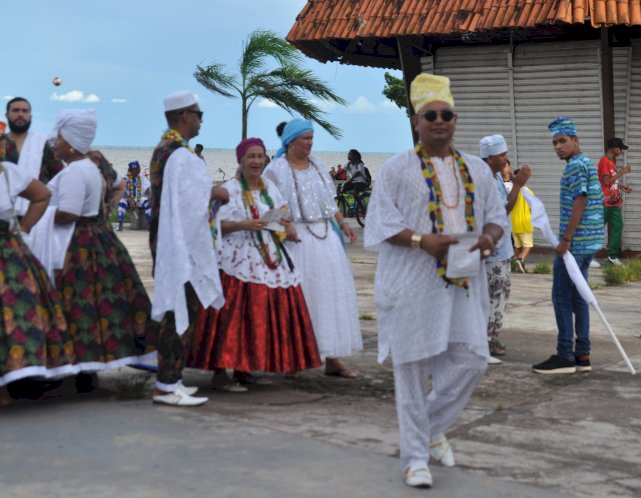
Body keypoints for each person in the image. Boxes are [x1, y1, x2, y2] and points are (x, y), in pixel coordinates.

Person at [365, 74, 503, 489]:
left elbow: (497, 217)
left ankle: (427, 431)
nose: (438, 121)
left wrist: (488, 239)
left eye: (446, 115)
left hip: (463, 282)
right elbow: (380, 224)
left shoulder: (477, 169)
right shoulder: (395, 169)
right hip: (410, 282)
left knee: (472, 360)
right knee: (411, 369)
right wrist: (420, 240)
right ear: (416, 121)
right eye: (430, 116)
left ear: (455, 120)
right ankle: (414, 459)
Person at [188, 138, 321, 388]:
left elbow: (281, 211)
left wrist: (288, 225)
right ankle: (219, 371)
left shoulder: (269, 187)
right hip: (236, 260)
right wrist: (243, 224)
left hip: (268, 255)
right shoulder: (230, 189)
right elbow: (214, 226)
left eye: (260, 156)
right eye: (251, 156)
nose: (256, 161)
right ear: (240, 160)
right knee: (232, 317)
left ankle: (245, 368)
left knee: (260, 315)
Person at [44, 109, 158, 393]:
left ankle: (78, 371)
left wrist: (33, 213)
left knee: (77, 306)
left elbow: (69, 213)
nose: (55, 144)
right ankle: (88, 372)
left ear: (70, 142)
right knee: (97, 308)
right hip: (99, 240)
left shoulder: (73, 172)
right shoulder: (90, 168)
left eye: (59, 138)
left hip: (77, 245)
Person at [265, 119, 362, 378]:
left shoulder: (318, 165)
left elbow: (329, 202)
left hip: (325, 238)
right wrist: (282, 230)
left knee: (330, 297)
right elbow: (266, 205)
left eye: (311, 138)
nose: (309, 143)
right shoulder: (276, 169)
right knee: (302, 299)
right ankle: (294, 358)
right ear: (290, 141)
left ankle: (332, 358)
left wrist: (343, 224)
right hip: (295, 241)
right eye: (305, 138)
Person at [148, 91, 228, 406]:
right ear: (185, 116)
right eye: (199, 113)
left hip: (166, 238)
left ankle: (172, 380)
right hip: (179, 243)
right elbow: (190, 204)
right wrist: (216, 193)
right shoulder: (179, 155)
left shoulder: (165, 149)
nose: (201, 119)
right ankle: (166, 385)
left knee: (176, 306)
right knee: (178, 309)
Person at [0, 161, 76, 405]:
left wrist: (23, 228)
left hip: (7, 256)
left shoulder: (7, 171)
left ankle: (7, 388)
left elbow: (42, 195)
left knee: (12, 318)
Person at [533, 117, 604, 375]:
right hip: (589, 243)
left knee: (561, 297)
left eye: (562, 141)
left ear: (576, 141)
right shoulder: (586, 163)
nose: (558, 147)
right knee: (579, 298)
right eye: (554, 143)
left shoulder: (575, 166)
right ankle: (582, 355)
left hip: (576, 244)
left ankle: (565, 355)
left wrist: (565, 240)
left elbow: (580, 201)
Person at [479, 134, 531, 364]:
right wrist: (519, 184)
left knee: (499, 295)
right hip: (492, 250)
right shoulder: (486, 181)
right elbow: (503, 211)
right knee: (494, 295)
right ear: (490, 158)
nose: (505, 158)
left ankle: (491, 336)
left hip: (500, 248)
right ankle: (485, 339)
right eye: (502, 154)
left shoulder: (496, 178)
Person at [0, 97, 64, 216]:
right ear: (7, 115)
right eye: (15, 110)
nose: (20, 114)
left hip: (37, 215)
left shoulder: (43, 144)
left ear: (30, 116)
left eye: (25, 111)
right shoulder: (1, 143)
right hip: (3, 216)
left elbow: (59, 177)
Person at [597, 138, 632, 266]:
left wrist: (621, 187)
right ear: (613, 148)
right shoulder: (605, 161)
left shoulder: (611, 162)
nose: (621, 151)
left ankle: (612, 256)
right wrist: (622, 172)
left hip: (614, 202)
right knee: (597, 229)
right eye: (620, 148)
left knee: (618, 226)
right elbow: (606, 182)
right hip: (605, 202)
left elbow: (611, 181)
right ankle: (585, 257)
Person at [116, 160, 151, 231]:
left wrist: (150, 195)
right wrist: (129, 199)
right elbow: (121, 192)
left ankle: (149, 223)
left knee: (148, 201)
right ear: (134, 170)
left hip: (139, 199)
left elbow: (147, 189)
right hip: (128, 200)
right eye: (138, 168)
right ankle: (120, 222)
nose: (140, 169)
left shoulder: (142, 178)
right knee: (122, 201)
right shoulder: (124, 178)